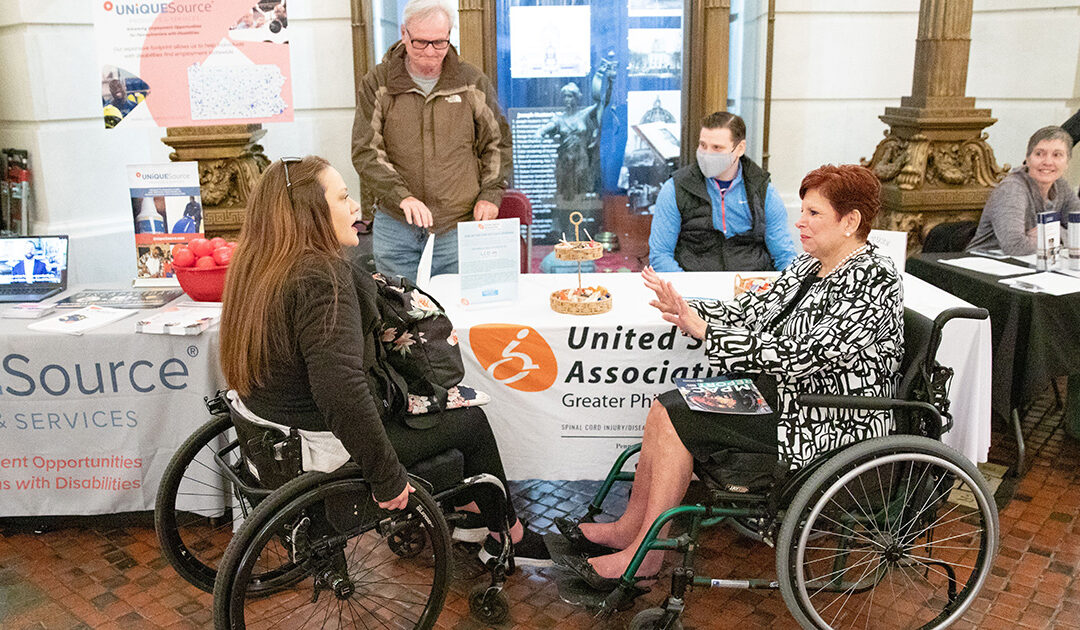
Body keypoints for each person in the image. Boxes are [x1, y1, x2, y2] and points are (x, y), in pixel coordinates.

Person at [556, 164, 904, 589]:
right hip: (782, 398)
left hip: (825, 417)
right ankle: (630, 529)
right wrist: (689, 309)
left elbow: (803, 356)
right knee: (665, 406)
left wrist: (707, 332)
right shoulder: (810, 266)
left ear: (850, 221)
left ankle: (644, 558)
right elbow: (754, 311)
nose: (800, 221)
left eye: (814, 213)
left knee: (678, 419)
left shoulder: (873, 278)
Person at [218, 156, 550, 566]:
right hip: (324, 445)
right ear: (312, 212)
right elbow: (341, 392)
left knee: (439, 408)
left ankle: (474, 513)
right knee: (470, 420)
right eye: (342, 197)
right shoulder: (322, 277)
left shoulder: (257, 263)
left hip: (277, 429)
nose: (355, 206)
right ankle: (508, 536)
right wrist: (387, 478)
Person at [351, 0, 512, 283]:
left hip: (457, 226)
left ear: (450, 35)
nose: (430, 52)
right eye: (421, 43)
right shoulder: (379, 82)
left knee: (457, 316)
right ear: (404, 33)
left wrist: (490, 194)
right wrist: (403, 196)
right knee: (398, 314)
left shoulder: (471, 81)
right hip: (396, 224)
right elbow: (366, 150)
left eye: (440, 43)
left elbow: (497, 143)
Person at [648, 111, 797, 272]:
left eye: (717, 148)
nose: (707, 154)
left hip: (752, 286)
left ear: (739, 148)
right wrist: (687, 291)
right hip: (694, 285)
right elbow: (660, 256)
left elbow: (783, 255)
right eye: (703, 145)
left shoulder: (762, 190)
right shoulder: (675, 188)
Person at [966, 126, 1079, 255]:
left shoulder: (1061, 185)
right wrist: (1061, 236)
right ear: (1028, 159)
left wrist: (1054, 232)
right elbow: (1015, 246)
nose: (1048, 162)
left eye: (1057, 155)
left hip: (1030, 265)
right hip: (982, 265)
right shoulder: (1012, 189)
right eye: (1039, 154)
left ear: (1067, 162)